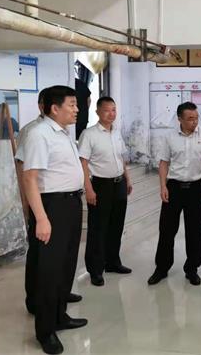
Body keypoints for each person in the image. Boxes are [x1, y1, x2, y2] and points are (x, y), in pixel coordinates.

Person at [22, 85, 88, 355]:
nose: (77, 109)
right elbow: (30, 178)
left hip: (71, 203)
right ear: (54, 108)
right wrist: (41, 218)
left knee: (66, 264)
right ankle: (45, 331)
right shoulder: (39, 134)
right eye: (72, 104)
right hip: (52, 207)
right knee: (49, 270)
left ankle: (60, 316)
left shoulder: (63, 133)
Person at [147, 102, 201, 286]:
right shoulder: (170, 137)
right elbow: (164, 162)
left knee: (195, 230)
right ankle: (162, 268)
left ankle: (192, 269)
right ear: (179, 119)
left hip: (195, 188)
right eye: (190, 118)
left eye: (196, 118)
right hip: (174, 188)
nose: (194, 121)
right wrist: (163, 186)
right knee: (166, 229)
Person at [78, 97, 133, 287]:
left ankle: (112, 262)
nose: (111, 114)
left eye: (114, 110)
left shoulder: (116, 133)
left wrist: (127, 179)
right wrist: (88, 188)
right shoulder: (89, 134)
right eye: (107, 110)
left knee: (116, 226)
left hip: (119, 183)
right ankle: (95, 269)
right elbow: (83, 163)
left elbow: (121, 158)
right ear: (97, 112)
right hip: (100, 185)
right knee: (98, 228)